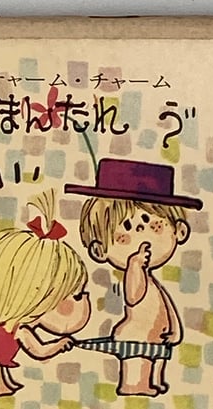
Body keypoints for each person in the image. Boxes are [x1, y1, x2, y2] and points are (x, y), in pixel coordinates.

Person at [65, 159, 202, 396]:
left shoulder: (153, 282)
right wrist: (135, 265)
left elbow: (166, 306)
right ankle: (134, 385)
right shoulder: (135, 271)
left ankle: (152, 384)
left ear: (179, 231)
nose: (140, 232)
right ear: (99, 249)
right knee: (138, 368)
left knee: (155, 367)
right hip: (135, 335)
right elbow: (134, 297)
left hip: (157, 338)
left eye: (151, 224)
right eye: (125, 229)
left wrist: (176, 329)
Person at [0, 190, 91, 397]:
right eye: (75, 296)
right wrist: (59, 345)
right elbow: (39, 351)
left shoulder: (14, 326)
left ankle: (1, 384)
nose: (84, 303)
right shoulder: (20, 330)